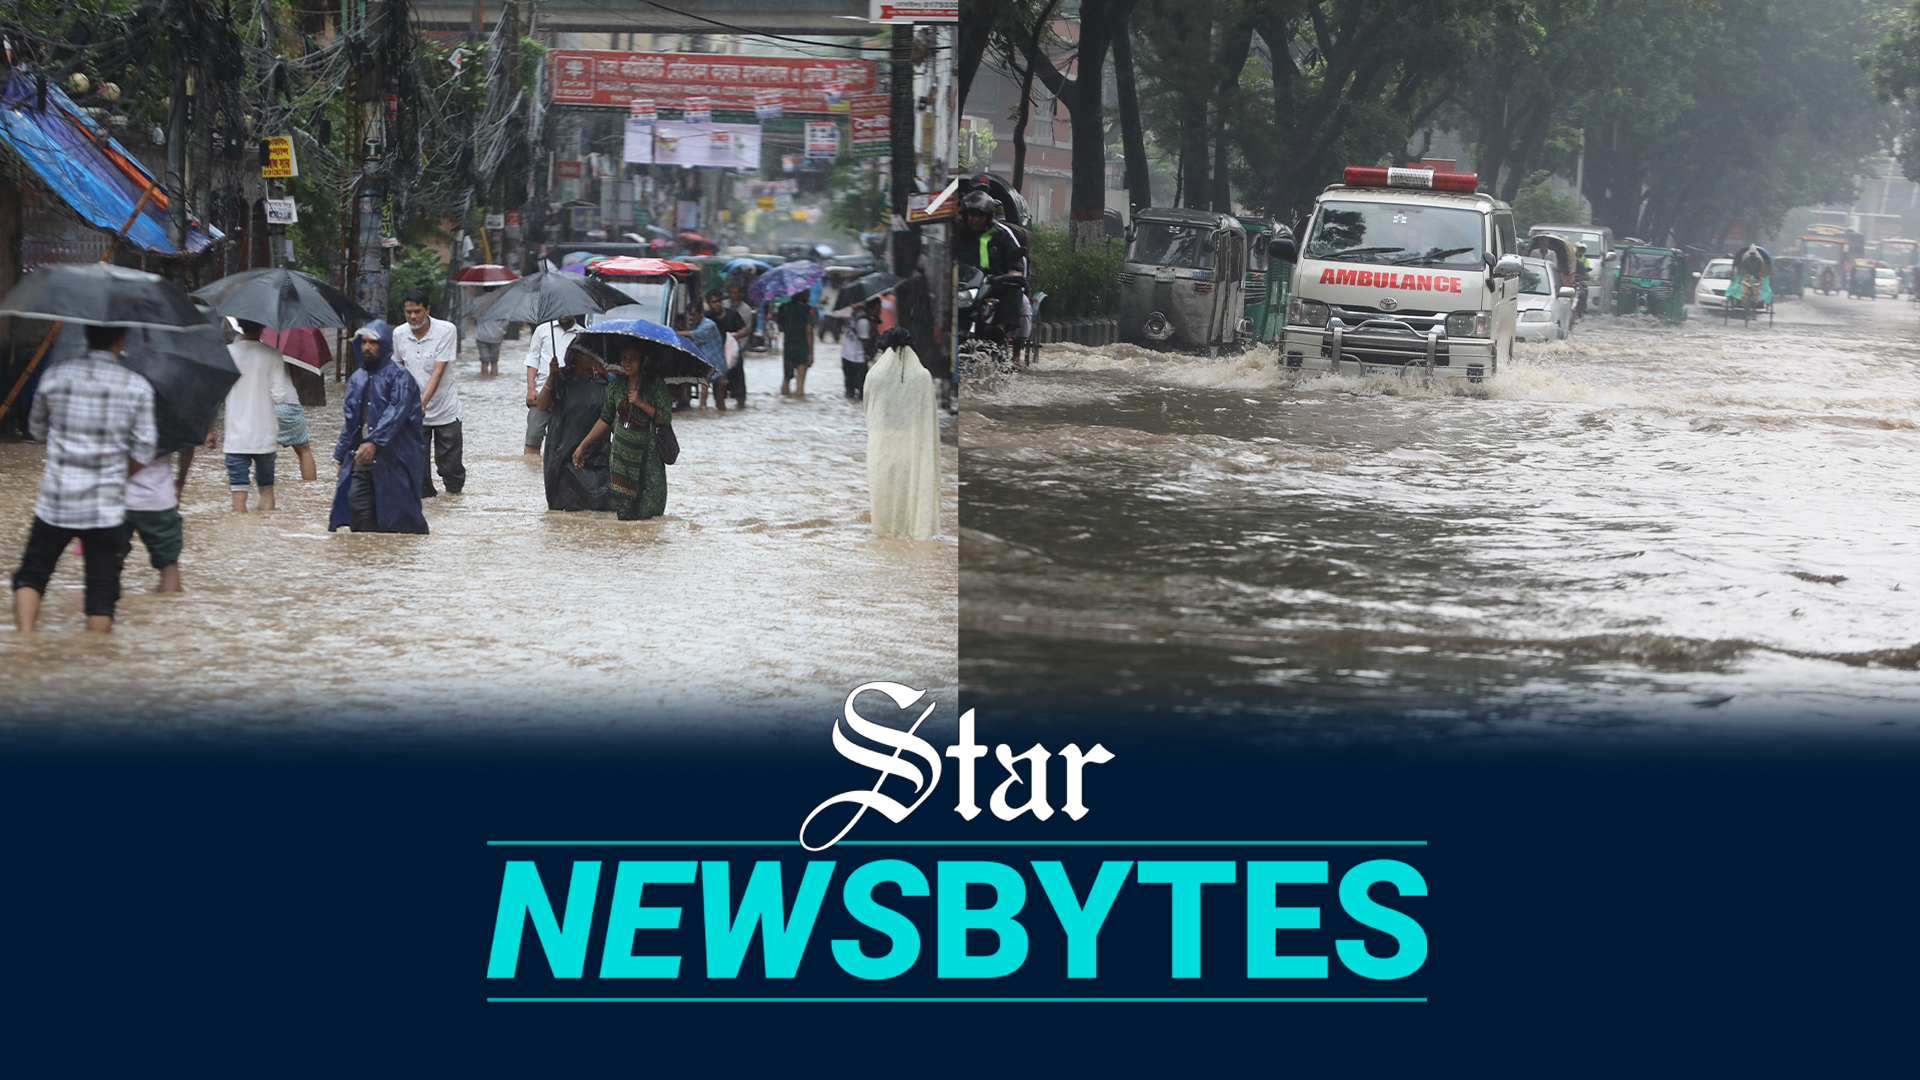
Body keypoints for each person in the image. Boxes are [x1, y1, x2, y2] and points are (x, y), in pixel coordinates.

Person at [12, 323, 157, 633]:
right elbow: (145, 449)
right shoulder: (136, 385)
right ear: (121, 339)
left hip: (56, 500)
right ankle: (96, 660)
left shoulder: (55, 376)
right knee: (101, 592)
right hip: (105, 506)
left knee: (32, 576)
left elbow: (37, 430)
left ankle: (24, 645)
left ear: (86, 335)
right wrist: (119, 474)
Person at [329, 321, 429, 534]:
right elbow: (350, 422)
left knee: (401, 523)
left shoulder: (400, 376)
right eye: (363, 342)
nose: (366, 347)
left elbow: (396, 412)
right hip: (361, 460)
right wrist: (341, 458)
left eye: (373, 343)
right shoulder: (357, 379)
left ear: (383, 345)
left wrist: (374, 442)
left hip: (396, 460)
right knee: (360, 520)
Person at [574, 344, 671, 521]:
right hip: (621, 460)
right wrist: (583, 446)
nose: (627, 363)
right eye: (624, 358)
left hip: (649, 459)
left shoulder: (656, 385)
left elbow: (665, 418)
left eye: (633, 358)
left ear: (644, 361)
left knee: (651, 515)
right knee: (625, 516)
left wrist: (641, 403)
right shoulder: (615, 386)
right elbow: (605, 419)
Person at [864, 327, 940, 541]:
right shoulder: (923, 377)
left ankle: (887, 536)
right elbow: (929, 417)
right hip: (913, 448)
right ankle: (913, 535)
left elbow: (868, 412)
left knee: (885, 496)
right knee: (911, 493)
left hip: (882, 449)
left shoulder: (874, 376)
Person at [393, 288, 463, 496]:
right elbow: (397, 370)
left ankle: (454, 502)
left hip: (445, 409)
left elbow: (437, 372)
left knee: (450, 470)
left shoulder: (446, 330)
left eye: (417, 311)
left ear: (427, 310)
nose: (413, 317)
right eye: (408, 312)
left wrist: (422, 404)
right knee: (418, 473)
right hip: (413, 411)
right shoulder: (399, 334)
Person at [218, 319, 293, 512]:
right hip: (265, 433)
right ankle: (266, 535)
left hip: (236, 435)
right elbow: (279, 396)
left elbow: (216, 394)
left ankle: (241, 540)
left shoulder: (226, 354)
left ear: (240, 325)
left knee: (238, 496)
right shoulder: (273, 354)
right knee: (266, 490)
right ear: (263, 327)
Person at [535, 346, 612, 511]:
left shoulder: (601, 383)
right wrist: (551, 376)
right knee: (562, 505)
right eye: (586, 352)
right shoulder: (561, 379)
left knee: (596, 505)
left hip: (592, 454)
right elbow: (541, 405)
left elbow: (609, 420)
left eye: (594, 353)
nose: (591, 357)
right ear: (574, 355)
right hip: (560, 451)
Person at [124, 446, 195, 594]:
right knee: (169, 565)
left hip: (113, 498)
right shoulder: (167, 423)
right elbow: (188, 445)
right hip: (159, 498)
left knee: (108, 564)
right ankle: (169, 611)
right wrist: (180, 484)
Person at [523, 315, 580, 454]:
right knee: (533, 437)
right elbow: (533, 360)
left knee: (566, 441)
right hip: (541, 390)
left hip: (570, 394)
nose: (564, 314)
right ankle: (530, 472)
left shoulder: (582, 335)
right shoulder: (542, 330)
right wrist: (531, 389)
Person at [272, 360, 318, 482]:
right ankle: (310, 491)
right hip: (289, 403)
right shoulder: (288, 351)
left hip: (263, 407)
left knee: (261, 454)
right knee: (304, 450)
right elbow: (295, 375)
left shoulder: (253, 349)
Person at [708, 291, 748, 405]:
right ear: (709, 304)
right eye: (714, 302)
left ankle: (740, 407)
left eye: (719, 301)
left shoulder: (732, 314)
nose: (717, 304)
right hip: (717, 357)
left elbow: (745, 330)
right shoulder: (708, 317)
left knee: (739, 388)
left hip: (733, 356)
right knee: (719, 388)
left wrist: (736, 335)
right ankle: (721, 411)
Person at [686, 304, 728, 410]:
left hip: (717, 364)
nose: (691, 317)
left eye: (693, 314)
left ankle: (717, 414)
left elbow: (694, 335)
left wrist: (672, 332)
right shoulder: (696, 324)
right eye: (690, 315)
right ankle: (704, 410)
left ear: (701, 313)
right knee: (704, 391)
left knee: (719, 400)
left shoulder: (708, 325)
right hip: (706, 362)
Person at [777, 293, 815, 396]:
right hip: (802, 346)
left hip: (788, 346)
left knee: (786, 378)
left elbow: (780, 328)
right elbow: (809, 332)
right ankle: (798, 404)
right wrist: (811, 354)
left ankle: (785, 401)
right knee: (800, 382)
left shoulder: (783, 308)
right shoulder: (808, 310)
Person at [841, 296, 879, 400]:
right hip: (857, 359)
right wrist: (873, 331)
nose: (879, 312)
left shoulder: (856, 314)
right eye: (878, 309)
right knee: (863, 393)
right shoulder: (864, 321)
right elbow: (865, 342)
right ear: (874, 307)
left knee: (849, 392)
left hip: (846, 356)